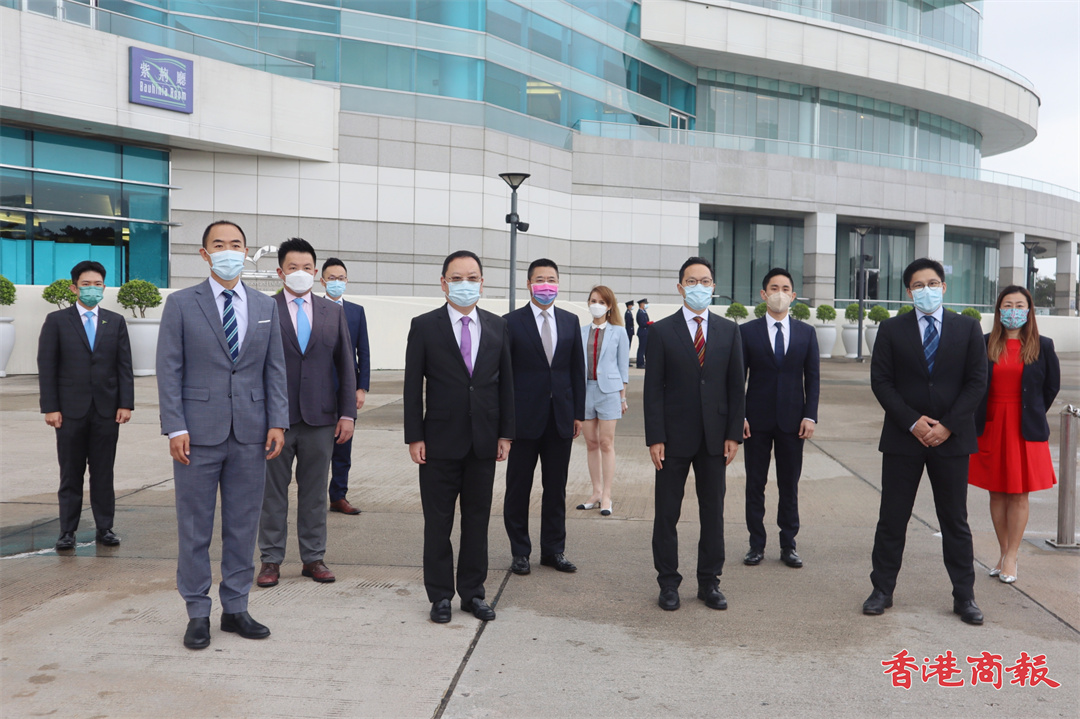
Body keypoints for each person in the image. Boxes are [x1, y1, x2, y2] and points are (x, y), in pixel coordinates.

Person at [157, 220, 288, 650]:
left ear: (245, 252)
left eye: (236, 244)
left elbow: (274, 368)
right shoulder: (181, 303)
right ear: (204, 253)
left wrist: (277, 421)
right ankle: (198, 611)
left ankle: (235, 607)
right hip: (196, 434)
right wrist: (175, 426)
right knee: (195, 527)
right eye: (219, 244)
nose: (228, 251)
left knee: (243, 525)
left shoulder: (265, 305)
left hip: (251, 433)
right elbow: (169, 369)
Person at [865, 258, 987, 625]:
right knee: (892, 518)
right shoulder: (891, 329)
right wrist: (912, 422)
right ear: (909, 292)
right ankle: (882, 590)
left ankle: (964, 596)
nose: (926, 290)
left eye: (932, 283)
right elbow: (881, 381)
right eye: (918, 285)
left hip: (952, 440)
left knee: (955, 521)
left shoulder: (968, 328)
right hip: (903, 439)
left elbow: (977, 382)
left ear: (944, 287)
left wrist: (947, 425)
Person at [404, 250, 514, 624]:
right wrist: (414, 436)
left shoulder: (497, 326)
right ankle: (439, 596)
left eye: (471, 278)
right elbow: (411, 386)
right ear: (443, 283)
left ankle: (473, 593)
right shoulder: (424, 326)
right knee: (438, 523)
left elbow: (506, 384)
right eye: (456, 278)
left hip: (484, 440)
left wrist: (506, 433)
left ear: (482, 283)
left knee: (477, 521)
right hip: (437, 441)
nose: (464, 284)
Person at [644, 257, 744, 612]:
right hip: (672, 438)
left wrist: (734, 433)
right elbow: (653, 389)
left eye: (705, 281)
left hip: (715, 438)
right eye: (691, 281)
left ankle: (709, 582)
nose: (698, 287)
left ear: (713, 287)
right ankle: (668, 583)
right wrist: (655, 437)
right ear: (680, 287)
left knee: (713, 512)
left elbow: (736, 387)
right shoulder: (660, 331)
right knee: (666, 512)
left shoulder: (729, 331)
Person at [257, 239, 356, 589]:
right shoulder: (264, 309)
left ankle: (313, 557)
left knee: (314, 493)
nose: (300, 273)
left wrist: (347, 414)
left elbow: (346, 366)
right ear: (280, 272)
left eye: (306, 268)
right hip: (275, 421)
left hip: (321, 418)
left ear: (316, 272)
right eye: (293, 267)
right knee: (272, 494)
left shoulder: (332, 312)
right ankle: (270, 559)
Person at [38, 260, 133, 550]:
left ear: (104, 287)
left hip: (107, 410)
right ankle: (67, 531)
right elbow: (47, 366)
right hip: (69, 411)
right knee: (71, 473)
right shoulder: (57, 321)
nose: (93, 289)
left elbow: (124, 366)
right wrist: (50, 407)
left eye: (98, 284)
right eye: (86, 284)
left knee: (103, 472)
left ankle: (105, 528)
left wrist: (125, 403)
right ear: (74, 288)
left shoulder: (115, 321)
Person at [969, 285, 1060, 584]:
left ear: (1029, 310)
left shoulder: (1043, 346)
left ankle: (1012, 556)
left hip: (1024, 427)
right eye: (1007, 305)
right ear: (998, 310)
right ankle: (1002, 551)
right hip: (992, 424)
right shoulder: (984, 343)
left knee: (1019, 493)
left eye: (1020, 305)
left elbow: (1051, 386)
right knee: (996, 491)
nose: (1013, 311)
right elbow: (973, 383)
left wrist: (1032, 411)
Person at [503, 259, 586, 576]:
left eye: (551, 279)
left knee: (556, 489)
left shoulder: (570, 321)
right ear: (529, 284)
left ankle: (553, 550)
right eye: (540, 279)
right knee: (518, 488)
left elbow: (576, 370)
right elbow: (504, 376)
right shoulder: (511, 322)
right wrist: (505, 422)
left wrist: (578, 413)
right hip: (523, 420)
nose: (546, 285)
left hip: (560, 418)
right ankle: (520, 551)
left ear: (558, 284)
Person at [740, 268, 819, 568]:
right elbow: (738, 379)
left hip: (793, 422)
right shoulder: (747, 332)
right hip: (755, 422)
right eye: (774, 288)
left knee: (789, 485)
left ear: (793, 296)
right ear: (764, 294)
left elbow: (813, 378)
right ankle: (756, 544)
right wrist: (739, 416)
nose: (779, 293)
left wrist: (810, 415)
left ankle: (789, 544)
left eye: (785, 288)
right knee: (755, 484)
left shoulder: (806, 333)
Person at [321, 257, 371, 516]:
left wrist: (361, 388)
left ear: (347, 280)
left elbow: (364, 351)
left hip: (346, 388)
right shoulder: (314, 307)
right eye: (332, 278)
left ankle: (338, 496)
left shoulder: (356, 311)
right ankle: (314, 496)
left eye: (341, 278)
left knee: (343, 446)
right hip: (318, 388)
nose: (337, 282)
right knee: (318, 446)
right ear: (322, 281)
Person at [577, 285, 629, 516]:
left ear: (609, 306)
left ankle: (607, 494)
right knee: (591, 443)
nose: (596, 305)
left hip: (609, 392)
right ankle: (596, 492)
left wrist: (622, 397)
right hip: (585, 390)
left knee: (606, 443)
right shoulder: (580, 331)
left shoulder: (619, 332)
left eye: (601, 302)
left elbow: (623, 367)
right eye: (592, 301)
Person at [636, 298, 650, 370]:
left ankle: (642, 362)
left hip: (645, 332)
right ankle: (640, 363)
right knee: (641, 348)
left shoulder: (644, 312)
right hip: (642, 332)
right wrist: (649, 323)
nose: (646, 305)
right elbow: (642, 323)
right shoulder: (640, 313)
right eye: (645, 303)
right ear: (641, 304)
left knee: (644, 348)